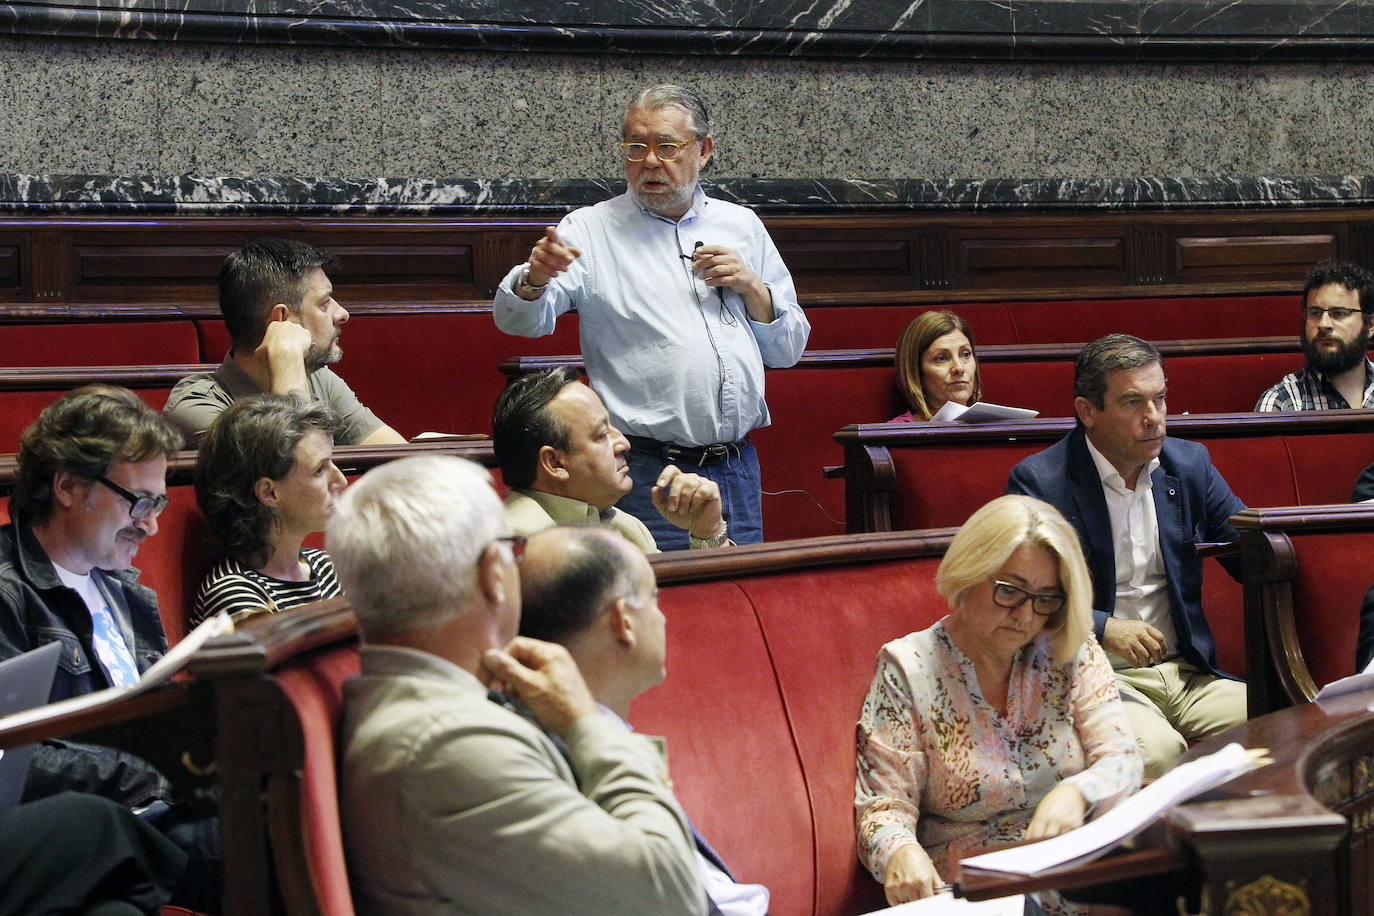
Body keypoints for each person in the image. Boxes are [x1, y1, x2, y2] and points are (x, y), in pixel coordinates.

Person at [331, 455, 706, 915]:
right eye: (512, 549)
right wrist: (588, 722)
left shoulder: (431, 703)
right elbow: (669, 892)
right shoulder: (446, 744)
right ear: (494, 572)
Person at [492, 84, 810, 550]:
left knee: (740, 600)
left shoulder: (741, 225)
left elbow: (789, 350)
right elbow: (522, 322)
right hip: (648, 472)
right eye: (635, 148)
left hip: (737, 467)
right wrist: (535, 278)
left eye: (666, 147)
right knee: (664, 608)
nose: (649, 162)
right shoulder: (590, 228)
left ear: (703, 151)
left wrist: (753, 289)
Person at [855, 495, 1141, 912]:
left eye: (1046, 598)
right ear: (969, 572)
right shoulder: (910, 667)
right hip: (977, 891)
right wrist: (899, 851)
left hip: (1077, 874)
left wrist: (1078, 792)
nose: (1026, 615)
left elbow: (1123, 760)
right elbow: (884, 807)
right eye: (1009, 591)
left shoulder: (1069, 647)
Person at [0, 386, 218, 910]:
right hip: (86, 826)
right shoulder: (8, 591)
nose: (152, 523)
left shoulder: (124, 589)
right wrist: (162, 774)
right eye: (140, 502)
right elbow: (14, 758)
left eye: (159, 501)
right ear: (69, 485)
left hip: (151, 811)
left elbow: (152, 718)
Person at [1007, 334, 1248, 777]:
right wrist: (1104, 627)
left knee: (1290, 724)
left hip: (1187, 673)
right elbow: (1024, 599)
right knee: (1158, 752)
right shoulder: (1042, 483)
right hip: (1094, 674)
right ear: (1088, 412)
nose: (1153, 418)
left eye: (1160, 399)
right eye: (1133, 403)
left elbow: (1256, 554)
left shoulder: (1189, 466)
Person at [517, 525, 769, 915]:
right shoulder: (568, 761)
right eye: (653, 599)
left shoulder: (547, 737)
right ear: (623, 621)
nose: (663, 618)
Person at [164, 239, 405, 447]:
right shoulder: (196, 406)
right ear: (282, 320)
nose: (342, 314)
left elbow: (398, 460)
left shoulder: (320, 379)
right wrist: (286, 358)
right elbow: (295, 471)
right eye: (324, 303)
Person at [493, 368, 730, 552]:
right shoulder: (520, 541)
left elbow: (693, 609)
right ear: (555, 463)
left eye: (612, 427)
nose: (624, 443)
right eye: (601, 435)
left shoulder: (624, 526)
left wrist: (707, 531)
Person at [192, 394, 347, 625]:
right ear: (269, 493)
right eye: (319, 470)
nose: (341, 480)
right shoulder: (235, 593)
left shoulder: (329, 567)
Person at [1255, 260, 1374, 411]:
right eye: (1315, 313)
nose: (1323, 324)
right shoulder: (1282, 403)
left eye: (1338, 313)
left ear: (1370, 325)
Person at [891, 310, 982, 422]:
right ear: (916, 371)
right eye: (942, 358)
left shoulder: (996, 425)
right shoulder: (896, 433)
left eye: (965, 354)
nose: (959, 368)